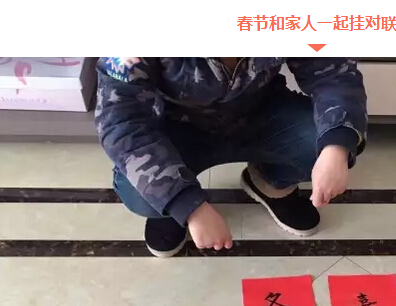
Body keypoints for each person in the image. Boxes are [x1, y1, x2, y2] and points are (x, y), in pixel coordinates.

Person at [95, 57, 367, 257]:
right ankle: (169, 212)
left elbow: (335, 74)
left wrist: (336, 146)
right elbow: (122, 123)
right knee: (140, 190)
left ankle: (269, 182)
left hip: (260, 112)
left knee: (327, 142)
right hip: (177, 128)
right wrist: (186, 205)